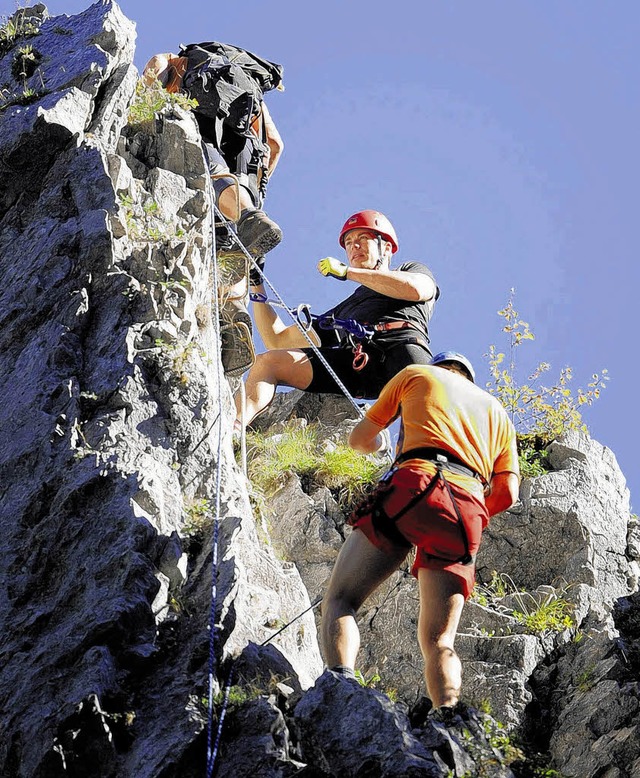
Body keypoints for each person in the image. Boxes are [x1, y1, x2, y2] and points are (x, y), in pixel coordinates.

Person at [320, 352, 520, 711]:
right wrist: (463, 515)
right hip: (467, 508)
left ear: (440, 367)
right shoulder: (497, 412)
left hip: (415, 480)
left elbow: (359, 439)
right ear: (468, 378)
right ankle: (449, 714)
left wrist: (384, 446)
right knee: (441, 640)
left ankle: (341, 682)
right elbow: (508, 492)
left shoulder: (417, 374)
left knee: (341, 599)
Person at [237, 209, 439, 427]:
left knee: (423, 417)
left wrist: (347, 273)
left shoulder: (411, 270)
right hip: (359, 367)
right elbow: (277, 340)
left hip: (403, 351)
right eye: (349, 242)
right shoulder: (346, 310)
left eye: (363, 238)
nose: (354, 246)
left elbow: (416, 289)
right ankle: (236, 424)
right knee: (269, 362)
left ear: (387, 248)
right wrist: (256, 285)